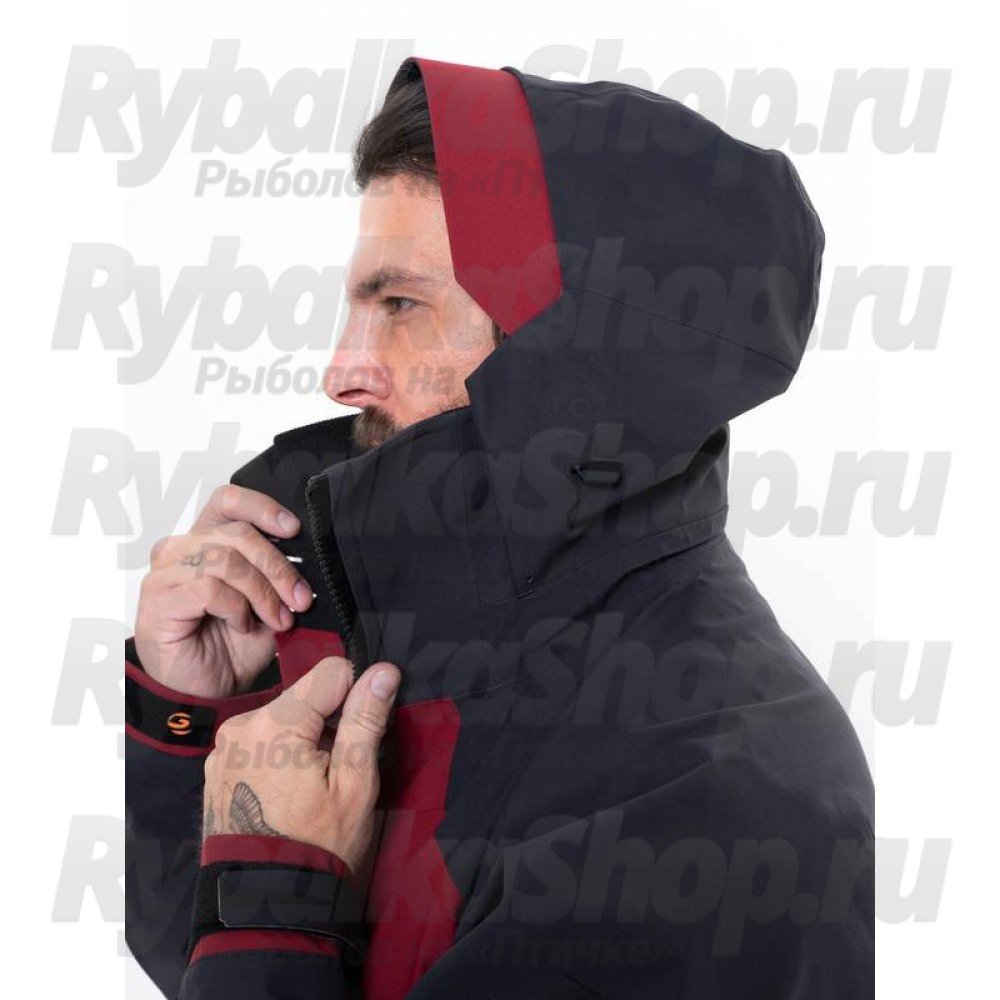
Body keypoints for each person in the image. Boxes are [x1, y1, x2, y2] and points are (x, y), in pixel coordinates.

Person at [125, 55, 874, 999]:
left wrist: (277, 892)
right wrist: (190, 715)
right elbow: (201, 966)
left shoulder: (712, 800)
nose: (340, 370)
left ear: (573, 356)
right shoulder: (399, 642)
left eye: (401, 305)